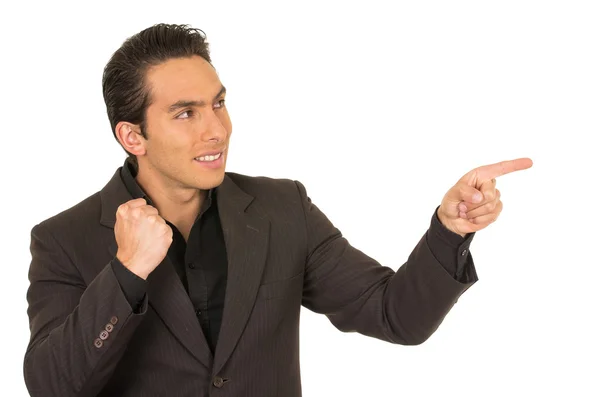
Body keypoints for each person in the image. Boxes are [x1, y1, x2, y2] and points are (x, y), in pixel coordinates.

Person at [23, 23, 533, 397]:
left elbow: (395, 315)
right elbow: (51, 385)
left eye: (218, 103)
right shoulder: (64, 239)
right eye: (186, 113)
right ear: (133, 135)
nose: (216, 130)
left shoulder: (281, 209)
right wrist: (127, 271)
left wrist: (449, 229)